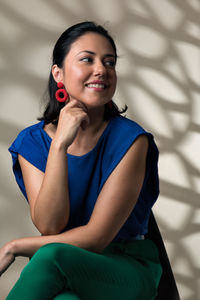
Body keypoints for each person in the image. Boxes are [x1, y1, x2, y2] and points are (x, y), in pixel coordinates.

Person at [0, 21, 162, 300]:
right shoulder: (33, 142)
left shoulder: (132, 140)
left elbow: (98, 237)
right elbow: (50, 225)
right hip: (66, 264)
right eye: (87, 59)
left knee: (52, 257)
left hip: (125, 269)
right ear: (58, 73)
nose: (101, 69)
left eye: (109, 62)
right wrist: (60, 144)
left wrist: (14, 246)